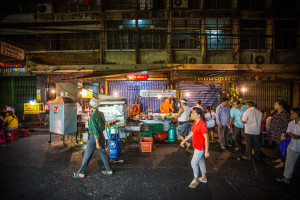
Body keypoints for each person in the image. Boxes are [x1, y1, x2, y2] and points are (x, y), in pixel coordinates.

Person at [73, 98, 113, 178]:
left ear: (91, 106)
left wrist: (97, 143)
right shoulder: (100, 113)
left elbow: (95, 130)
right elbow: (101, 125)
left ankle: (81, 173)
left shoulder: (93, 116)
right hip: (101, 135)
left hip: (94, 138)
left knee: (87, 155)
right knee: (103, 154)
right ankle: (109, 170)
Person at [180, 107, 209, 188]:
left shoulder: (202, 124)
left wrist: (206, 151)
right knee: (200, 161)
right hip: (196, 145)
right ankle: (203, 177)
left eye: (193, 113)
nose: (191, 114)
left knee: (193, 162)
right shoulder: (196, 122)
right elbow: (192, 133)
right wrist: (184, 141)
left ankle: (195, 179)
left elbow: (207, 138)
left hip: (200, 147)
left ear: (198, 115)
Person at [276, 108, 300, 184]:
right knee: (289, 162)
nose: (291, 115)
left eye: (293, 113)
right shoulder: (291, 123)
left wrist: (298, 137)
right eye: (291, 113)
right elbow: (288, 131)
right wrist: (291, 135)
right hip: (292, 146)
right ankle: (286, 178)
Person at [270, 100, 290, 169]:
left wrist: (283, 134)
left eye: (276, 104)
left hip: (280, 134)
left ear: (281, 106)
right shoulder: (277, 113)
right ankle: (279, 158)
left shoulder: (285, 114)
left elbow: (286, 125)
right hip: (276, 134)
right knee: (278, 148)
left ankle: (283, 162)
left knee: (282, 148)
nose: (274, 105)